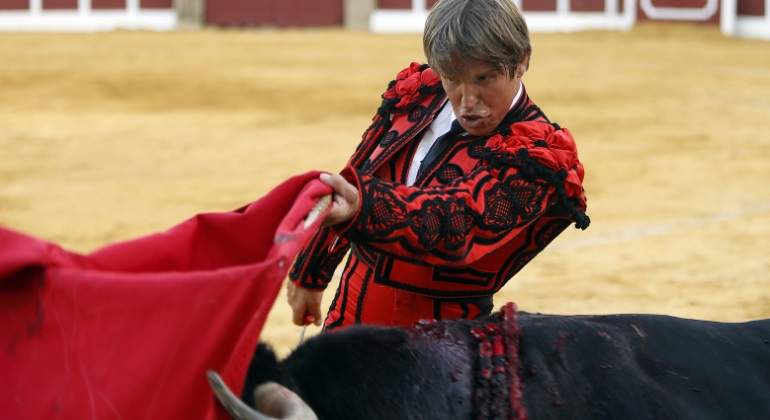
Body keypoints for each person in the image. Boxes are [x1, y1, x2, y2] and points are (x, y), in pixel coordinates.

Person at [287, 0, 589, 330]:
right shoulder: (421, 92)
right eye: (452, 78)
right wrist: (312, 270)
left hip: (443, 342)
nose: (467, 100)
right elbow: (361, 170)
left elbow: (456, 225)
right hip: (350, 315)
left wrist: (365, 205)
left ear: (521, 62)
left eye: (484, 79)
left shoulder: (537, 155)